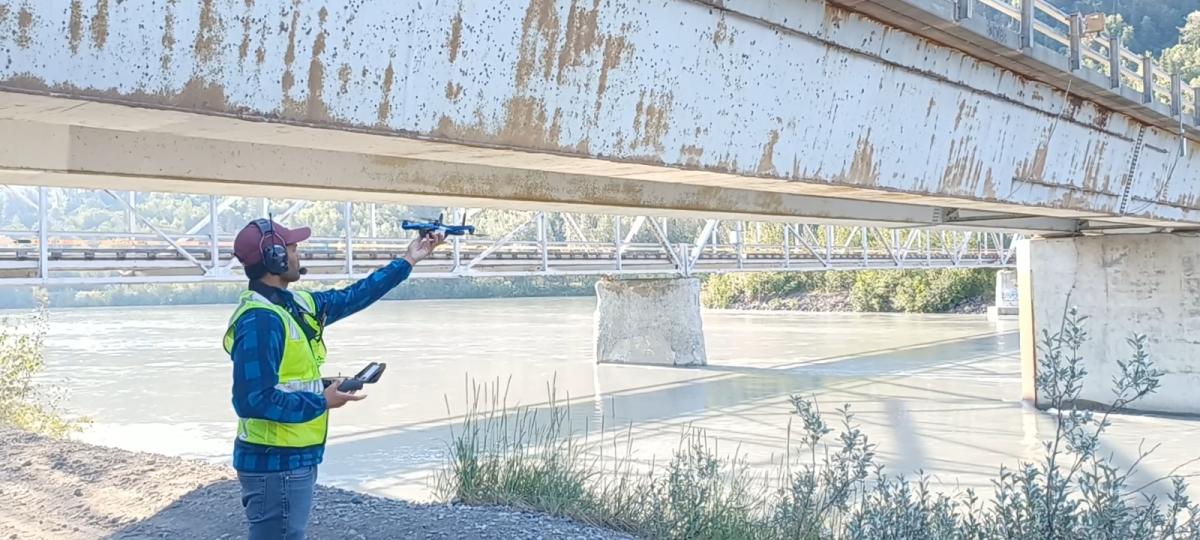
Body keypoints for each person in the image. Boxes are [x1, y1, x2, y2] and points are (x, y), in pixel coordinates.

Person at [223, 217, 444, 539]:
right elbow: (251, 400)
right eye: (293, 248)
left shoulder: (296, 305)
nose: (299, 255)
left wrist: (409, 259)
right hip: (275, 461)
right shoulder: (260, 319)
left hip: (291, 457)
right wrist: (321, 400)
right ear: (275, 257)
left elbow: (355, 295)